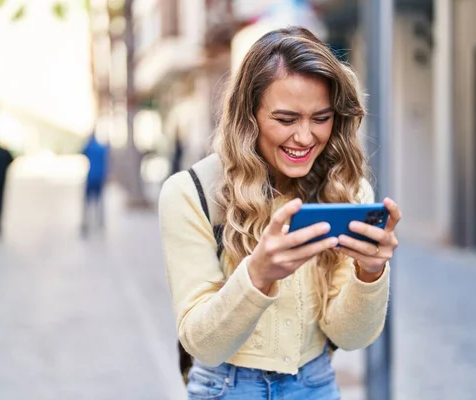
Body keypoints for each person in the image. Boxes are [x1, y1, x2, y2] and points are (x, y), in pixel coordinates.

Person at [159, 27, 401, 399]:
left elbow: (349, 337)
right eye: (286, 120)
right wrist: (258, 274)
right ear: (249, 116)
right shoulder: (190, 193)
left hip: (316, 383)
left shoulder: (348, 190)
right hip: (225, 388)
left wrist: (371, 273)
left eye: (321, 118)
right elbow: (202, 343)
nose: (305, 138)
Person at [81, 133, 109, 234]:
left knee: (87, 202)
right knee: (99, 202)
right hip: (100, 177)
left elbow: (82, 151)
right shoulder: (102, 148)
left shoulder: (89, 147)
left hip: (91, 177)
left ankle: (85, 223)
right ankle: (100, 223)